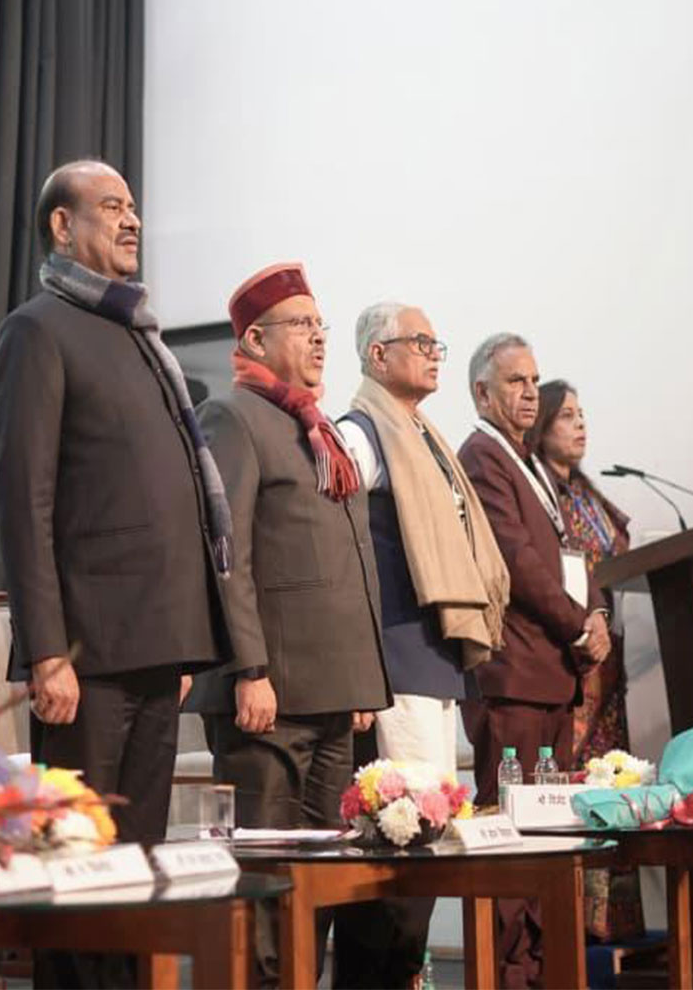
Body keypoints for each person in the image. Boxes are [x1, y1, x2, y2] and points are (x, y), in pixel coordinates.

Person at [0, 159, 231, 986]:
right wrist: (48, 651)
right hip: (87, 660)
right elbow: (24, 501)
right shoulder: (39, 330)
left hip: (158, 651)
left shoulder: (138, 336)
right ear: (63, 225)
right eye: (112, 207)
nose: (132, 221)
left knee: (138, 880)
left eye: (134, 207)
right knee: (80, 877)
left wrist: (188, 640)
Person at [188, 262, 390, 988]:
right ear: (254, 337)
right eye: (301, 325)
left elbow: (349, 561)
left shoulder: (316, 426)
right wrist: (249, 668)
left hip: (333, 691)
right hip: (271, 696)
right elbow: (226, 553)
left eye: (320, 325)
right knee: (265, 884)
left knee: (320, 882)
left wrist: (364, 676)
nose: (317, 338)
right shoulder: (233, 416)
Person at [331, 302, 509, 990]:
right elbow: (344, 553)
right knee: (400, 838)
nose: (436, 353)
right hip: (393, 656)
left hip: (435, 659)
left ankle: (404, 974)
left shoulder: (424, 435)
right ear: (378, 356)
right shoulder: (361, 435)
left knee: (429, 841)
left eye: (438, 343)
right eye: (420, 342)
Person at [458, 332, 613, 987]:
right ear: (482, 393)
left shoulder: (525, 461)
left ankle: (544, 973)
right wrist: (580, 627)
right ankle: (508, 978)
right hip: (513, 675)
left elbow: (565, 555)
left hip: (550, 675)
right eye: (515, 381)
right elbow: (517, 560)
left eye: (533, 381)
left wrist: (595, 614)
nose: (528, 392)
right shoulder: (482, 454)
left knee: (548, 844)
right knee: (511, 849)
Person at [527, 378, 643, 943]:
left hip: (609, 669)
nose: (579, 424)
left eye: (582, 414)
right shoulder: (539, 497)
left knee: (614, 782)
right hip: (568, 663)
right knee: (575, 786)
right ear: (540, 425)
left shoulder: (592, 496)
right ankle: (572, 927)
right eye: (566, 415)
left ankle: (612, 926)